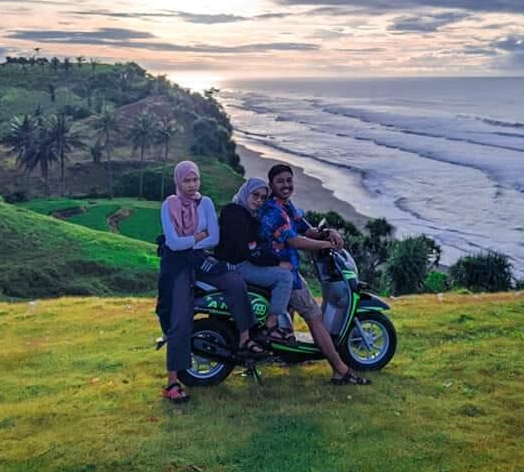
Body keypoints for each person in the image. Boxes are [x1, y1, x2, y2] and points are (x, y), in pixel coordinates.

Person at [156, 160, 265, 404]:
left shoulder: (204, 203)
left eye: (195, 179)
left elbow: (213, 238)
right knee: (180, 318)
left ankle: (246, 338)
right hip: (176, 266)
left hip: (201, 260)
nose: (192, 185)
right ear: (178, 181)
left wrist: (190, 240)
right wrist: (198, 236)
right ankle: (172, 381)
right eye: (187, 180)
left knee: (235, 283)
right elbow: (173, 244)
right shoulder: (169, 205)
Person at [258, 163, 371, 385]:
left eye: (289, 181)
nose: (286, 185)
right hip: (282, 271)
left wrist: (328, 232)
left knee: (290, 308)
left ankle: (288, 353)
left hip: (286, 268)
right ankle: (340, 369)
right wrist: (322, 245)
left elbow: (305, 228)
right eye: (280, 181)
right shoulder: (273, 211)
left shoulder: (286, 206)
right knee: (314, 316)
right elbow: (294, 240)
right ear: (271, 185)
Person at [216, 177, 296, 344]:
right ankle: (271, 326)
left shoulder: (247, 214)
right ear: (246, 193)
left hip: (238, 262)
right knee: (285, 277)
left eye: (262, 197)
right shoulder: (235, 213)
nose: (259, 200)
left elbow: (255, 246)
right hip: (237, 265)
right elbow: (249, 250)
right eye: (255, 195)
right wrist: (277, 263)